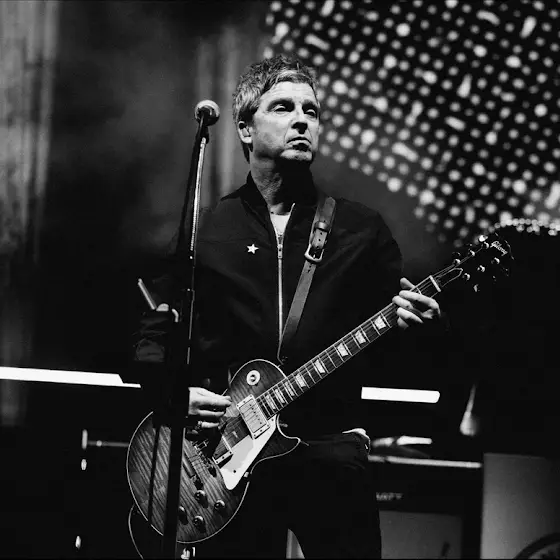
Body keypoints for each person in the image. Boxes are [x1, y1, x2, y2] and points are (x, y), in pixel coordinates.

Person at [133, 54, 442, 558]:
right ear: (245, 128)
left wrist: (423, 326)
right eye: (283, 107)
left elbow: (406, 355)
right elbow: (151, 335)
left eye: (311, 111)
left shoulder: (361, 230)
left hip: (331, 447)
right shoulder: (207, 231)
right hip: (227, 457)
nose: (302, 120)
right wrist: (172, 395)